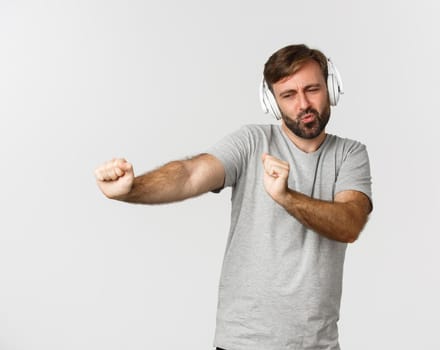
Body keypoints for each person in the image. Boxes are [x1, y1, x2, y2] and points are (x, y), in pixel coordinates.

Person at [94, 44, 373, 350]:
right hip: (243, 342)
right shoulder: (252, 142)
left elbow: (350, 223)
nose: (303, 104)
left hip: (318, 344)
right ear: (271, 101)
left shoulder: (350, 154)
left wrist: (286, 197)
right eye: (288, 95)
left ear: (331, 88)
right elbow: (190, 174)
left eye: (312, 89)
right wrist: (132, 189)